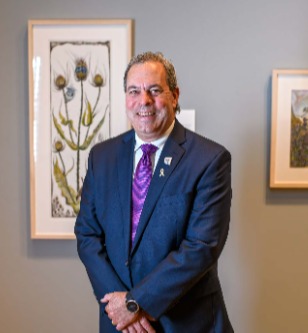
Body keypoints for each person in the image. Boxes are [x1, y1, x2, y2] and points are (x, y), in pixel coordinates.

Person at [75, 51, 233, 333]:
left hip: (187, 322)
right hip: (120, 323)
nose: (144, 101)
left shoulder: (209, 159)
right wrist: (120, 305)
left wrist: (136, 302)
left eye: (155, 90)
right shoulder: (102, 157)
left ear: (174, 95)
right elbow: (87, 234)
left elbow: (201, 247)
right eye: (134, 91)